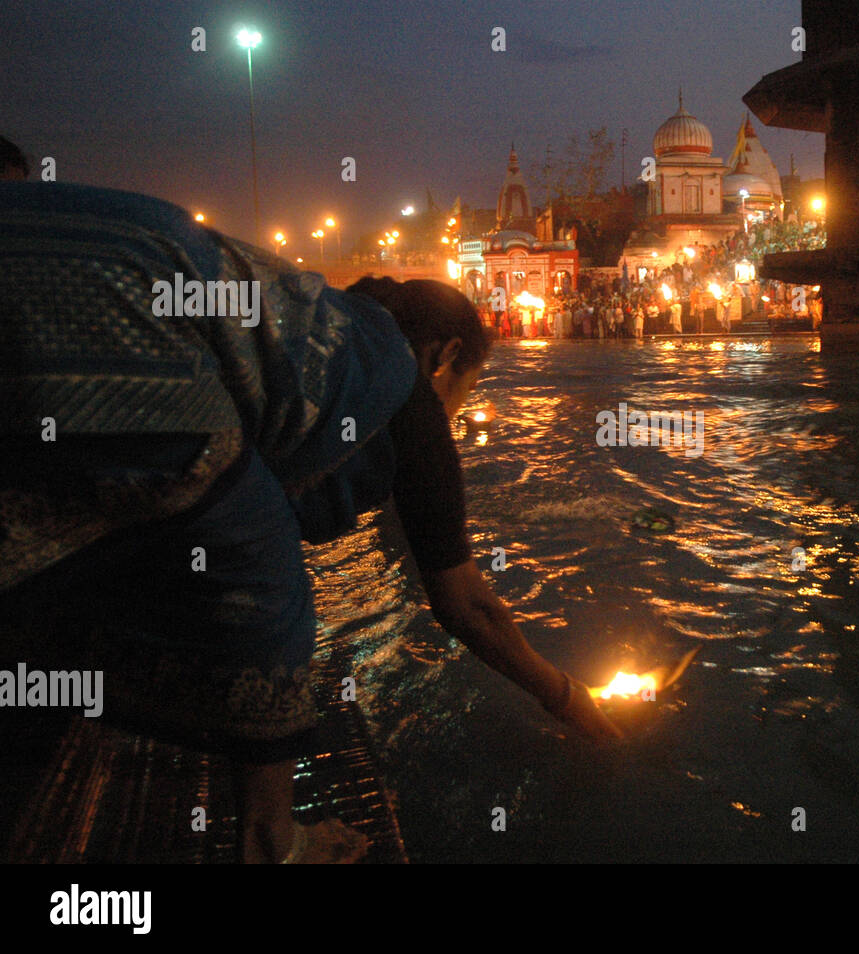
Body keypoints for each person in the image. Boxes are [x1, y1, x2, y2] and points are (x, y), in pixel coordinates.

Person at [0, 182, 621, 865]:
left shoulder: (313, 323)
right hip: (125, 338)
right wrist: (566, 696)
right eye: (461, 392)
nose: (447, 417)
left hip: (55, 279)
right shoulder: (398, 382)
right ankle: (273, 842)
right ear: (441, 359)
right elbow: (465, 603)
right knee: (264, 578)